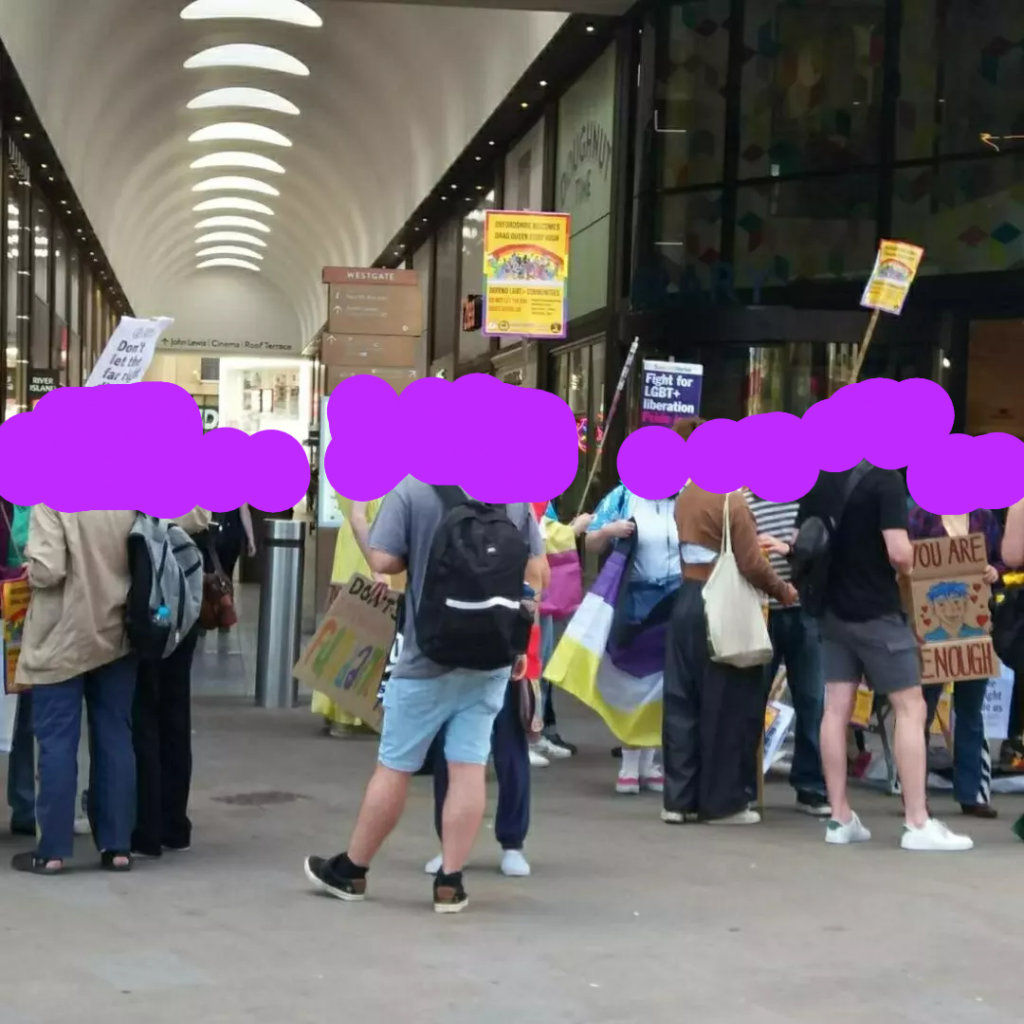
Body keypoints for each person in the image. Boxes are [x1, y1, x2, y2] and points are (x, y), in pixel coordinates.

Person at [304, 479, 546, 914]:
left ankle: (352, 870)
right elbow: (537, 573)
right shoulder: (512, 491)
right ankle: (450, 882)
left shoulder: (413, 490)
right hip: (489, 658)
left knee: (395, 765)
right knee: (469, 765)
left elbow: (383, 557)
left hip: (425, 655)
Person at [799, 462, 973, 852]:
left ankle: (839, 816)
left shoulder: (821, 479)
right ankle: (917, 820)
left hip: (831, 612)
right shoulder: (885, 480)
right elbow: (899, 553)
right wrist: (911, 556)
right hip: (877, 611)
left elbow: (802, 539)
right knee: (911, 707)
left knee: (835, 709)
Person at [11, 508, 138, 874]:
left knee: (56, 742)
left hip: (62, 635)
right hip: (117, 629)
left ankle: (51, 850)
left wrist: (29, 569)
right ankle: (117, 847)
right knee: (116, 735)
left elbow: (50, 569)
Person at [662, 483, 797, 825]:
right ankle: (722, 802)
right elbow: (751, 563)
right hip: (722, 603)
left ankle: (679, 800)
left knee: (682, 701)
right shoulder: (731, 501)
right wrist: (783, 590)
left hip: (687, 597)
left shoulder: (686, 495)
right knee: (727, 705)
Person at [425, 587, 541, 879]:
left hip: (502, 651)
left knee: (510, 754)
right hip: (453, 651)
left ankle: (512, 843)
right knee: (449, 756)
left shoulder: (520, 539)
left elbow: (538, 578)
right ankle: (450, 844)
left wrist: (525, 648)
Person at [908, 505, 1003, 819]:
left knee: (971, 711)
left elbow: (1004, 558)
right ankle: (914, 792)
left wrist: (995, 571)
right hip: (931, 629)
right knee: (921, 709)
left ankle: (971, 793)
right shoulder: (922, 515)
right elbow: (901, 559)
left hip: (974, 625)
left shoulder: (984, 517)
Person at [586, 480, 680, 794]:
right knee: (631, 678)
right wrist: (608, 531)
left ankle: (650, 761)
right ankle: (629, 760)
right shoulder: (624, 494)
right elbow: (591, 542)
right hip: (634, 597)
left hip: (675, 598)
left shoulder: (686, 495)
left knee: (663, 682)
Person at [131, 508, 211, 858]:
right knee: (173, 713)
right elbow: (201, 517)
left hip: (155, 594)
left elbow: (200, 517)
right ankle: (172, 824)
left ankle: (150, 825)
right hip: (180, 598)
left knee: (145, 714)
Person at [746, 492, 830, 817]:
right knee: (752, 698)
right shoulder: (744, 499)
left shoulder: (808, 500)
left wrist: (791, 550)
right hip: (760, 609)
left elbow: (825, 550)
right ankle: (746, 784)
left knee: (812, 701)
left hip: (805, 610)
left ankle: (810, 786)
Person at [312, 499, 391, 737]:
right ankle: (348, 714)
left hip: (356, 549)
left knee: (349, 636)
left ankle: (341, 713)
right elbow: (359, 517)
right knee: (365, 636)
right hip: (367, 550)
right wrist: (376, 566)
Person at [531, 502, 592, 765]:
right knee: (531, 669)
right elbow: (539, 531)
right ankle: (528, 735)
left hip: (540, 591)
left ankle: (536, 731)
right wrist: (573, 530)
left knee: (541, 668)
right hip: (527, 591)